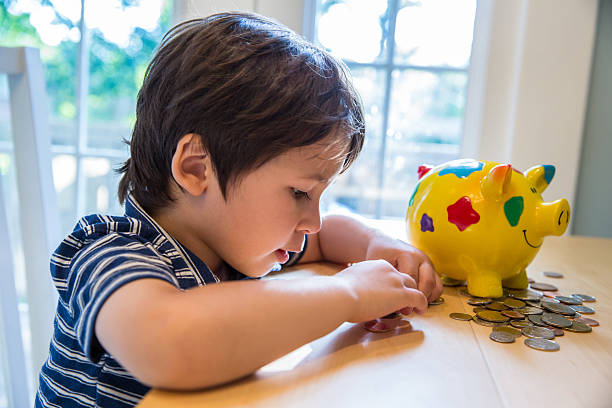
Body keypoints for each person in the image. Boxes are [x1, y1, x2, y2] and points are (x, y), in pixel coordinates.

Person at [35, 12, 442, 407]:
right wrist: (347, 293)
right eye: (300, 193)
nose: (313, 221)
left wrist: (376, 245)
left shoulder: (230, 240)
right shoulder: (109, 251)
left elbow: (328, 235)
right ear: (196, 168)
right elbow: (173, 345)